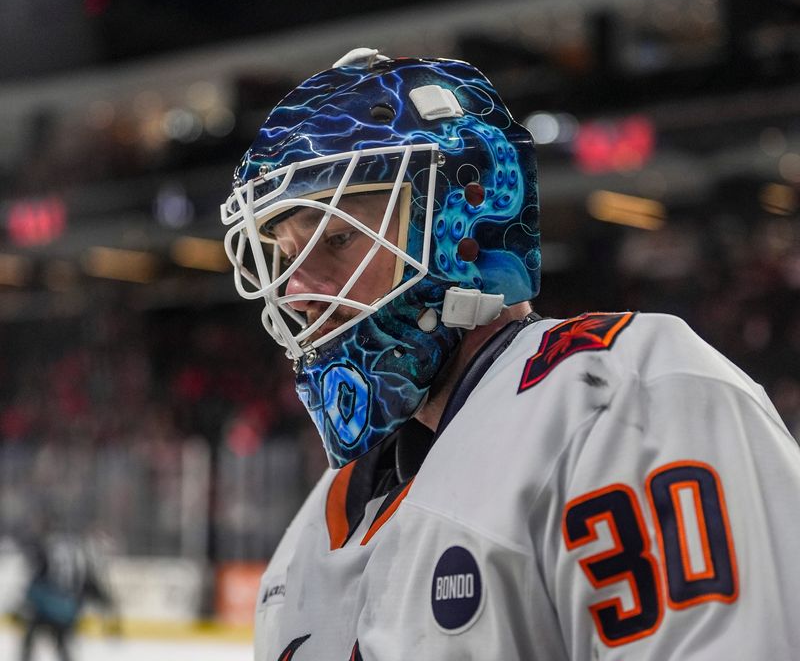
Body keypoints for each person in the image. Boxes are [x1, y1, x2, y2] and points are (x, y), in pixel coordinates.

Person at [220, 48, 800, 659]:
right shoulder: (316, 527)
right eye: (286, 255)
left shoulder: (623, 400)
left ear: (460, 223)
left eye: (337, 237)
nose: (295, 291)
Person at [17, 525, 118, 661]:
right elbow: (90, 585)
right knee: (57, 643)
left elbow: (37, 580)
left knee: (36, 641)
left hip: (49, 611)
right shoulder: (79, 559)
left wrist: (27, 601)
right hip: (63, 613)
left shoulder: (52, 557)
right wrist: (104, 602)